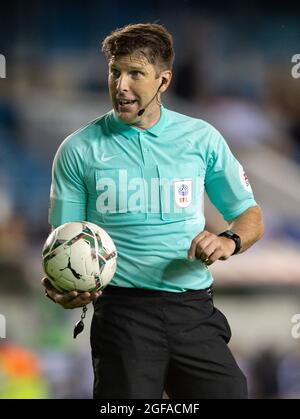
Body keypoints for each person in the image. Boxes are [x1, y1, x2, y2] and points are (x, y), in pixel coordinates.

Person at [42, 23, 264, 399]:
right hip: (122, 313)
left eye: (135, 73)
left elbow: (249, 215)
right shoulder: (78, 149)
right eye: (115, 71)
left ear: (163, 80)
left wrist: (229, 241)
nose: (120, 85)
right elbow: (62, 242)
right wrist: (59, 286)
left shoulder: (201, 138)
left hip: (193, 309)